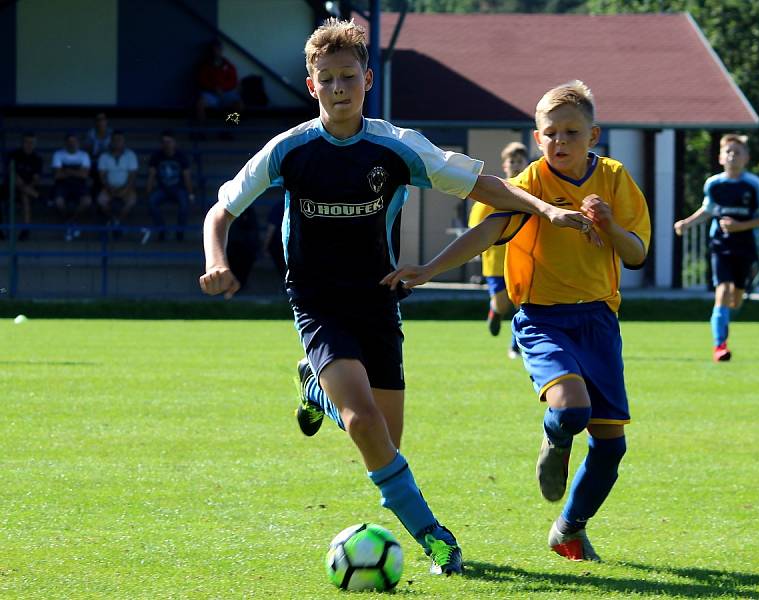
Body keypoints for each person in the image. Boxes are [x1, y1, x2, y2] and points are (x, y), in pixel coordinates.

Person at [199, 20, 592, 576]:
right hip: (317, 299)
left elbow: (480, 184)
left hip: (379, 297)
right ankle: (434, 535)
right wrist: (216, 260)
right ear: (312, 86)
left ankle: (315, 390)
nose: (339, 88)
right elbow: (222, 210)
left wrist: (546, 209)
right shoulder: (289, 150)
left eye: (348, 77)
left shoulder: (397, 147)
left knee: (386, 437)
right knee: (364, 424)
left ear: (368, 80)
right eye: (327, 79)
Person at [383, 81, 651, 562]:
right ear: (536, 137)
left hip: (599, 320)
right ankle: (555, 439)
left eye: (572, 132)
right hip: (542, 319)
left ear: (594, 136)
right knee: (572, 410)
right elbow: (485, 231)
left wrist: (609, 225)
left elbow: (636, 254)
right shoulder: (527, 185)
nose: (561, 142)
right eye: (551, 133)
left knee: (611, 447)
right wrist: (427, 269)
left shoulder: (613, 179)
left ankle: (569, 528)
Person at [674, 134, 759, 362]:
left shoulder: (754, 185)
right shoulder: (714, 184)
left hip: (745, 246)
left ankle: (723, 327)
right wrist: (687, 223)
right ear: (720, 157)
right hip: (720, 244)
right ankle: (719, 346)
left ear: (746, 158)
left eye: (737, 152)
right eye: (728, 152)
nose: (732, 156)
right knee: (723, 290)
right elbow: (707, 209)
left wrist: (740, 226)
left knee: (735, 299)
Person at [468, 141, 529, 358]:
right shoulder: (496, 190)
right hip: (495, 261)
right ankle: (495, 312)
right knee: (503, 302)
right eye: (511, 161)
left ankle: (516, 345)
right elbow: (475, 225)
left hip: (523, 259)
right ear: (505, 165)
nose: (516, 165)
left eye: (519, 161)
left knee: (522, 304)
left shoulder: (530, 191)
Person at [145, 131, 195, 242]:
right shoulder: (156, 156)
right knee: (152, 202)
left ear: (174, 143)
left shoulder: (181, 156)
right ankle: (161, 230)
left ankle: (180, 232)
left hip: (178, 189)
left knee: (184, 204)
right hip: (161, 189)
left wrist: (191, 193)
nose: (167, 144)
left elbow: (187, 176)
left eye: (169, 142)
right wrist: (148, 192)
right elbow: (151, 175)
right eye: (164, 142)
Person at [97, 130, 138, 238]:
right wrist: (109, 189)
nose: (117, 142)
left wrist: (125, 189)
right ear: (111, 141)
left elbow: (132, 175)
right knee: (101, 201)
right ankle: (114, 221)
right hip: (109, 188)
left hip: (126, 188)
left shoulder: (131, 155)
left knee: (131, 201)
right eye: (115, 140)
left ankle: (116, 222)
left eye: (120, 140)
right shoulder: (104, 156)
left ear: (124, 141)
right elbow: (102, 176)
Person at [52, 132, 93, 241]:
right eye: (69, 142)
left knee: (87, 201)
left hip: (80, 185)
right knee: (59, 202)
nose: (72, 144)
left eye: (74, 141)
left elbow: (85, 175)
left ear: (78, 143)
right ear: (65, 143)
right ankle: (71, 223)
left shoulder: (84, 155)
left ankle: (70, 223)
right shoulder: (58, 154)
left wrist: (67, 171)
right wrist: (77, 172)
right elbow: (57, 175)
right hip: (63, 184)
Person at [4, 132, 43, 241]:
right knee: (18, 184)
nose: (29, 144)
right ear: (22, 143)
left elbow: (36, 178)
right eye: (26, 142)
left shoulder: (37, 159)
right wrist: (21, 184)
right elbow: (12, 174)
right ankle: (38, 196)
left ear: (35, 144)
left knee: (24, 196)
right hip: (10, 187)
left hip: (27, 189)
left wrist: (26, 187)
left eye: (31, 142)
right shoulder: (13, 155)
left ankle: (25, 230)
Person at [196, 39, 244, 123]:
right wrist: (214, 88)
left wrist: (223, 88)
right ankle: (201, 129)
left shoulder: (228, 65)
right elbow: (202, 80)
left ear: (221, 51)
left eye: (218, 49)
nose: (216, 52)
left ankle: (230, 125)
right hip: (210, 93)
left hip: (226, 93)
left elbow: (233, 81)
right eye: (214, 50)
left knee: (239, 105)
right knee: (200, 104)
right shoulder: (205, 65)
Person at [85, 112, 112, 198]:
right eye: (98, 120)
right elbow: (88, 151)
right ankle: (99, 195)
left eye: (103, 119)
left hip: (108, 163)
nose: (100, 122)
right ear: (95, 122)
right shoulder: (91, 133)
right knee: (96, 170)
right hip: (94, 162)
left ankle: (97, 194)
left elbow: (113, 151)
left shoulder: (112, 134)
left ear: (106, 121)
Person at [263, 199, 287, 279]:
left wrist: (265, 247)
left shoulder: (279, 206)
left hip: (281, 245)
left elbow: (271, 229)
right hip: (283, 245)